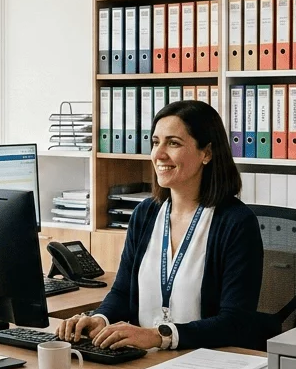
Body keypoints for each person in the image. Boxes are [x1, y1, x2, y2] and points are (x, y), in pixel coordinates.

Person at [57, 99, 272, 352]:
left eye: (173, 143)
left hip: (205, 361)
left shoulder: (236, 223)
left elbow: (235, 322)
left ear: (207, 153)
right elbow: (123, 292)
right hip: (144, 359)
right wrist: (99, 318)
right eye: (155, 142)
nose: (158, 154)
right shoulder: (145, 214)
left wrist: (159, 336)